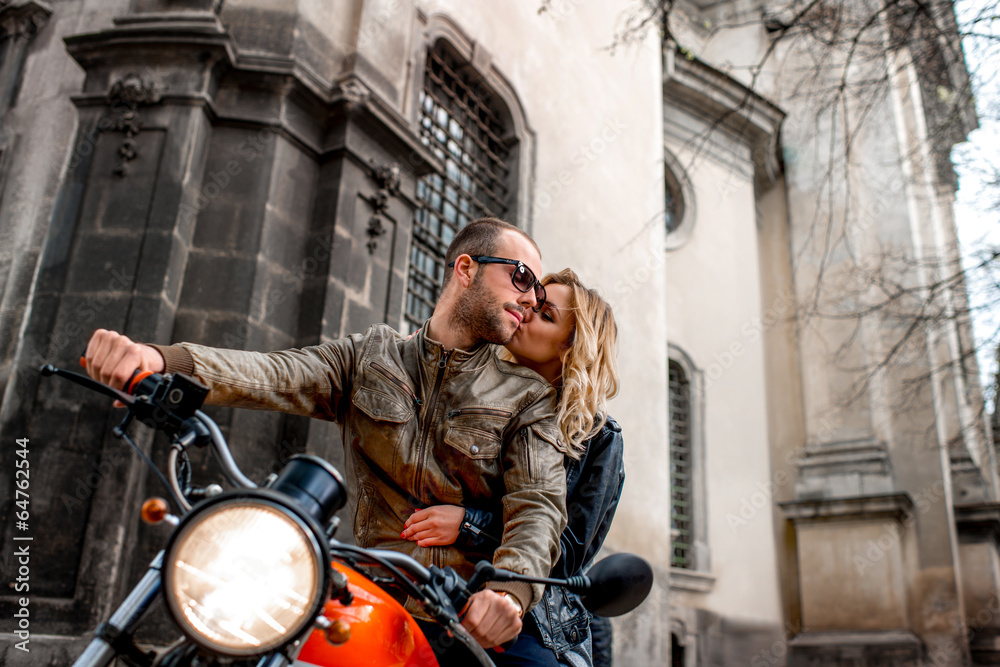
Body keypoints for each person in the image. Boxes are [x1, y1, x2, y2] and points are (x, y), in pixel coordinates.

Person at [81, 217, 569, 657]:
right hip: (368, 596)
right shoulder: (370, 357)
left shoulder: (527, 398)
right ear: (466, 268)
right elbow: (274, 373)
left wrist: (508, 595)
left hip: (468, 612)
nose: (530, 298)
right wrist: (160, 362)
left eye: (539, 295)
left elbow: (538, 504)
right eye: (521, 278)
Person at [400, 269, 625, 666]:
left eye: (546, 314)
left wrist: (469, 524)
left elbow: (568, 551)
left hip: (532, 618)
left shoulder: (597, 436)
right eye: (531, 303)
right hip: (431, 584)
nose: (526, 310)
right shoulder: (473, 388)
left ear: (570, 348)